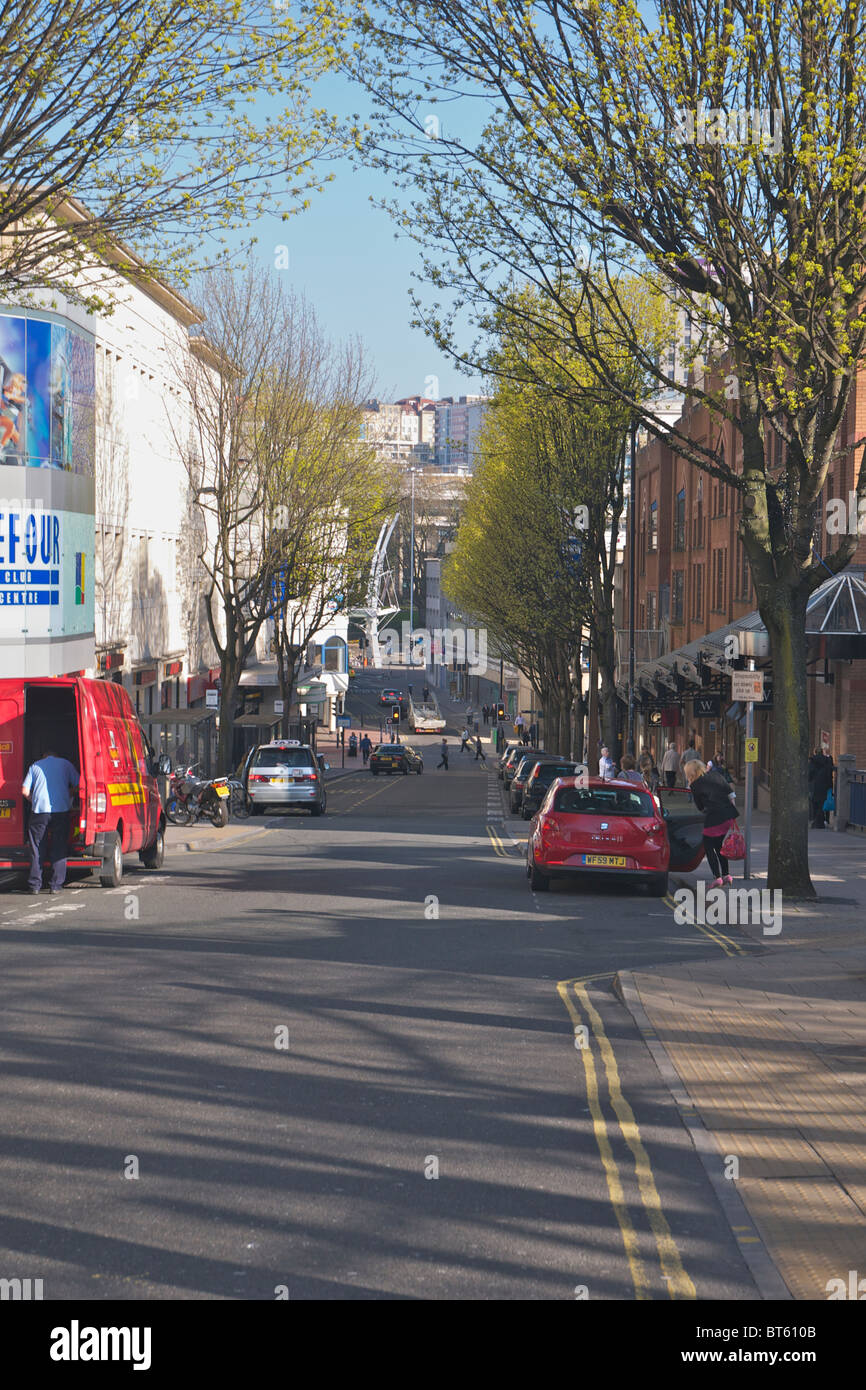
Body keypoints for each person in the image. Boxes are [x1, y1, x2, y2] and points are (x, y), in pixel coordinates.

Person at [21, 747, 80, 894]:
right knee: (59, 847)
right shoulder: (66, 764)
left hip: (39, 812)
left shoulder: (35, 766)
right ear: (56, 755)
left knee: (37, 847)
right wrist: (68, 793)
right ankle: (55, 885)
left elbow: (24, 791)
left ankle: (35, 885)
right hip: (61, 810)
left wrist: (33, 800)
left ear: (44, 756)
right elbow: (80, 785)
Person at [684, 758, 739, 886]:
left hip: (714, 817)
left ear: (690, 773)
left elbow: (700, 807)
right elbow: (731, 795)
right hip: (728, 815)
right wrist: (730, 813)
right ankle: (727, 875)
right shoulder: (716, 775)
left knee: (708, 846)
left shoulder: (695, 785)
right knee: (719, 845)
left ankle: (717, 877)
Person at [808, 748, 833, 828]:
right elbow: (829, 773)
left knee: (815, 804)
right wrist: (830, 785)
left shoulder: (812, 761)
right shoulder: (827, 760)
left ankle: (816, 821)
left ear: (815, 752)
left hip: (815, 786)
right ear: (822, 752)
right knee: (822, 803)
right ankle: (822, 821)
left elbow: (810, 774)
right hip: (824, 785)